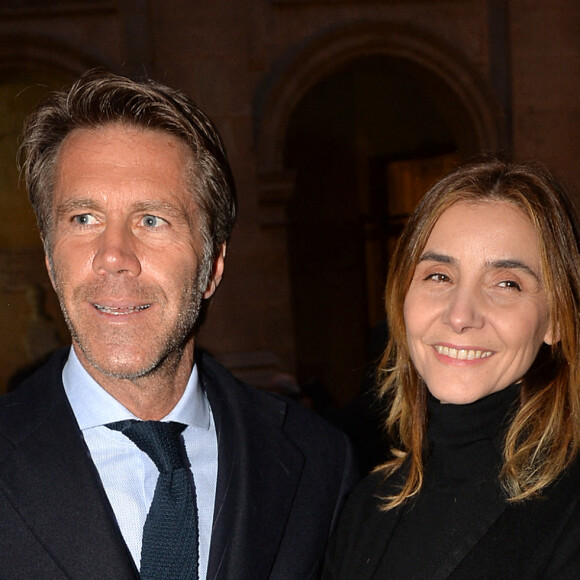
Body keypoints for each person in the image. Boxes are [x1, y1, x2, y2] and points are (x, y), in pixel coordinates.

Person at [0, 69, 358, 579]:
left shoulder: (318, 463)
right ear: (50, 259)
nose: (113, 256)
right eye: (83, 219)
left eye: (151, 220)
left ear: (212, 267)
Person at [323, 157, 580, 579]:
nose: (461, 315)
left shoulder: (568, 508)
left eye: (506, 283)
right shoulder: (368, 505)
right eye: (439, 276)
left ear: (555, 318)